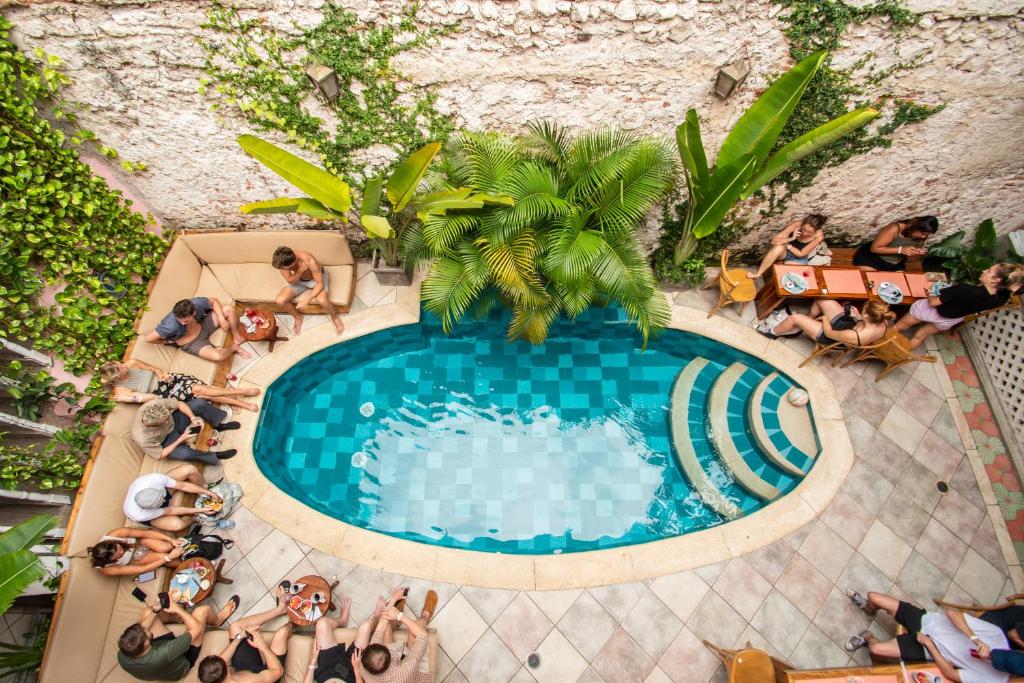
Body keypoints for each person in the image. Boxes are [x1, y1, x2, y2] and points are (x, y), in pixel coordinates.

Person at [843, 589, 1020, 683]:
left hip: (926, 648)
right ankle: (869, 608)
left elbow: (951, 673)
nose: (988, 657)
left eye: (992, 661)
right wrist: (974, 638)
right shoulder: (995, 634)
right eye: (993, 654)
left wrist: (929, 644)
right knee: (873, 596)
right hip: (927, 622)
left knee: (876, 649)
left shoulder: (993, 680)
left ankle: (867, 637)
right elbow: (952, 614)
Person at [894, 263, 1024, 350]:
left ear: (996, 280)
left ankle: (880, 345)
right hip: (949, 320)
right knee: (919, 337)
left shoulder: (964, 289)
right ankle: (898, 354)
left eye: (989, 271)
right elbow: (1013, 287)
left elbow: (933, 303)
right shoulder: (1001, 299)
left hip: (931, 310)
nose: (984, 271)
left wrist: (929, 293)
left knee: (900, 326)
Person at [117, 591, 239, 681]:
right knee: (202, 611)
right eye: (145, 631)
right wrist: (177, 609)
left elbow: (143, 626)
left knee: (147, 612)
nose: (145, 627)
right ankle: (217, 621)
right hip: (182, 662)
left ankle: (178, 619)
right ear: (146, 643)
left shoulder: (122, 654)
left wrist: (155, 610)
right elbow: (196, 629)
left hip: (159, 661)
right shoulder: (165, 652)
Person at [197, 585, 295, 683]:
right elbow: (278, 671)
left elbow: (221, 660)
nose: (221, 658)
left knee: (235, 627)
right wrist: (261, 646)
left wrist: (239, 637)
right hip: (269, 673)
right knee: (281, 633)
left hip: (244, 670)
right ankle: (295, 621)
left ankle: (281, 609)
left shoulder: (215, 676)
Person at [100, 359, 260, 412]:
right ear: (117, 377)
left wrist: (162, 374)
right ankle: (240, 394)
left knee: (202, 392)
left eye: (120, 363)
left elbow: (154, 369)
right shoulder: (121, 391)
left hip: (170, 379)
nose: (124, 365)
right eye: (120, 368)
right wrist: (134, 398)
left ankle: (241, 400)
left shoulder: (132, 363)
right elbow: (152, 398)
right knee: (201, 392)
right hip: (163, 395)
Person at [359, 588, 437, 683]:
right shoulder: (405, 671)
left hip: (395, 664)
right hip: (412, 674)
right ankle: (425, 615)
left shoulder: (364, 666)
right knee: (418, 624)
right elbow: (422, 636)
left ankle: (394, 617)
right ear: (389, 657)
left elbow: (380, 629)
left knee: (386, 626)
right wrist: (400, 616)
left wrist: (394, 599)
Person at [131, 397, 239, 465]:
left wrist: (192, 417)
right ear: (156, 424)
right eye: (166, 419)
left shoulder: (153, 405)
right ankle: (215, 456)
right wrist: (181, 439)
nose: (168, 417)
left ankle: (219, 425)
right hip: (166, 440)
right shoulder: (143, 438)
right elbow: (160, 454)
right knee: (184, 453)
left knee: (198, 403)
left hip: (176, 421)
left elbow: (179, 404)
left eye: (168, 415)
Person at [145, 297, 252, 361]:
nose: (182, 323)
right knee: (217, 356)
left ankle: (237, 336)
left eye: (185, 321)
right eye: (179, 320)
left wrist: (221, 318)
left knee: (228, 309)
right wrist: (170, 341)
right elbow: (148, 339)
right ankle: (234, 348)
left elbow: (213, 301)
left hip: (203, 324)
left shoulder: (195, 303)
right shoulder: (170, 325)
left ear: (194, 313)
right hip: (192, 342)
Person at [756, 298, 895, 346]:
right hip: (848, 325)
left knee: (794, 318)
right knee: (823, 297)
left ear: (867, 317)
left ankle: (771, 332)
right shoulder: (882, 320)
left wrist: (825, 319)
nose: (861, 309)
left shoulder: (856, 335)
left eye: (863, 309)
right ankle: (808, 319)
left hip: (832, 337)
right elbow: (863, 323)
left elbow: (829, 333)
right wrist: (857, 316)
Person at [123, 465, 221, 532]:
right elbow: (170, 510)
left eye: (162, 499)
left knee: (189, 469)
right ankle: (195, 518)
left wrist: (208, 492)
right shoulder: (140, 514)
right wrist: (199, 510)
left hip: (163, 490)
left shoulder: (153, 480)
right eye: (161, 502)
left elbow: (182, 486)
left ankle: (205, 487)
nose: (165, 501)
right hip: (151, 516)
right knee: (177, 525)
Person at [272, 246, 344, 336]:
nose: (282, 269)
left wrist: (306, 300)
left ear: (292, 264)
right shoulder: (283, 264)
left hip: (316, 280)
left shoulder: (309, 260)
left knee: (322, 300)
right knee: (280, 301)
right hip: (299, 280)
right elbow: (291, 280)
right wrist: (300, 271)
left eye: (285, 268)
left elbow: (320, 284)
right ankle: (298, 317)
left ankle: (335, 317)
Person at [747, 214, 829, 279]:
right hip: (785, 252)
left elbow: (801, 254)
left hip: (798, 258)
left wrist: (788, 245)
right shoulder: (796, 225)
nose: (805, 233)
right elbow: (774, 241)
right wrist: (791, 238)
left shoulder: (819, 236)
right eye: (804, 229)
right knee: (778, 247)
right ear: (802, 224)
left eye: (809, 232)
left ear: (816, 230)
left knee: (789, 278)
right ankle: (758, 274)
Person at [87, 527, 188, 578]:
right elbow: (142, 569)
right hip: (135, 558)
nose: (122, 551)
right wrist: (168, 558)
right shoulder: (107, 569)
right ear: (110, 561)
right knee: (164, 556)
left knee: (166, 547)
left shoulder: (115, 534)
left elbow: (146, 533)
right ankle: (191, 565)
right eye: (119, 555)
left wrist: (171, 540)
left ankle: (188, 547)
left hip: (140, 542)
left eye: (120, 547)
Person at [853, 215, 938, 271]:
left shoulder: (922, 236)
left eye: (926, 235)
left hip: (895, 264)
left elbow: (910, 260)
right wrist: (901, 250)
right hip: (872, 258)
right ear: (915, 227)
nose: (924, 237)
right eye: (923, 233)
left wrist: (916, 252)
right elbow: (875, 248)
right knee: (870, 279)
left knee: (898, 286)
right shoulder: (895, 228)